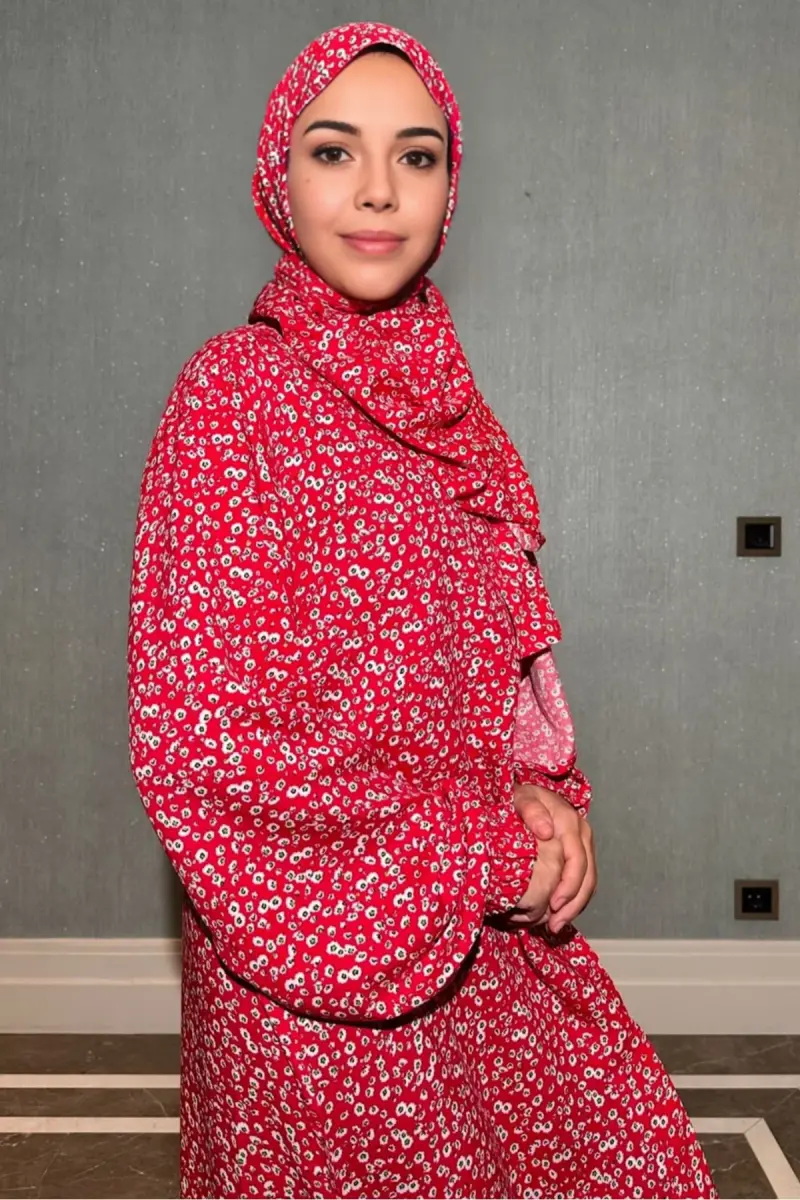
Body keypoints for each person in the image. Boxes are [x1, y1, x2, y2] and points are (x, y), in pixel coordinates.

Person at [127, 21, 717, 1200]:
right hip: (315, 970)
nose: (378, 190)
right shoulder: (234, 394)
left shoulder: (450, 404)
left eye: (417, 155)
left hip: (478, 940)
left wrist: (538, 789)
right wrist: (481, 849)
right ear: (277, 177)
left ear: (451, 184)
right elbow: (208, 745)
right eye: (333, 151)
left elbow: (492, 658)